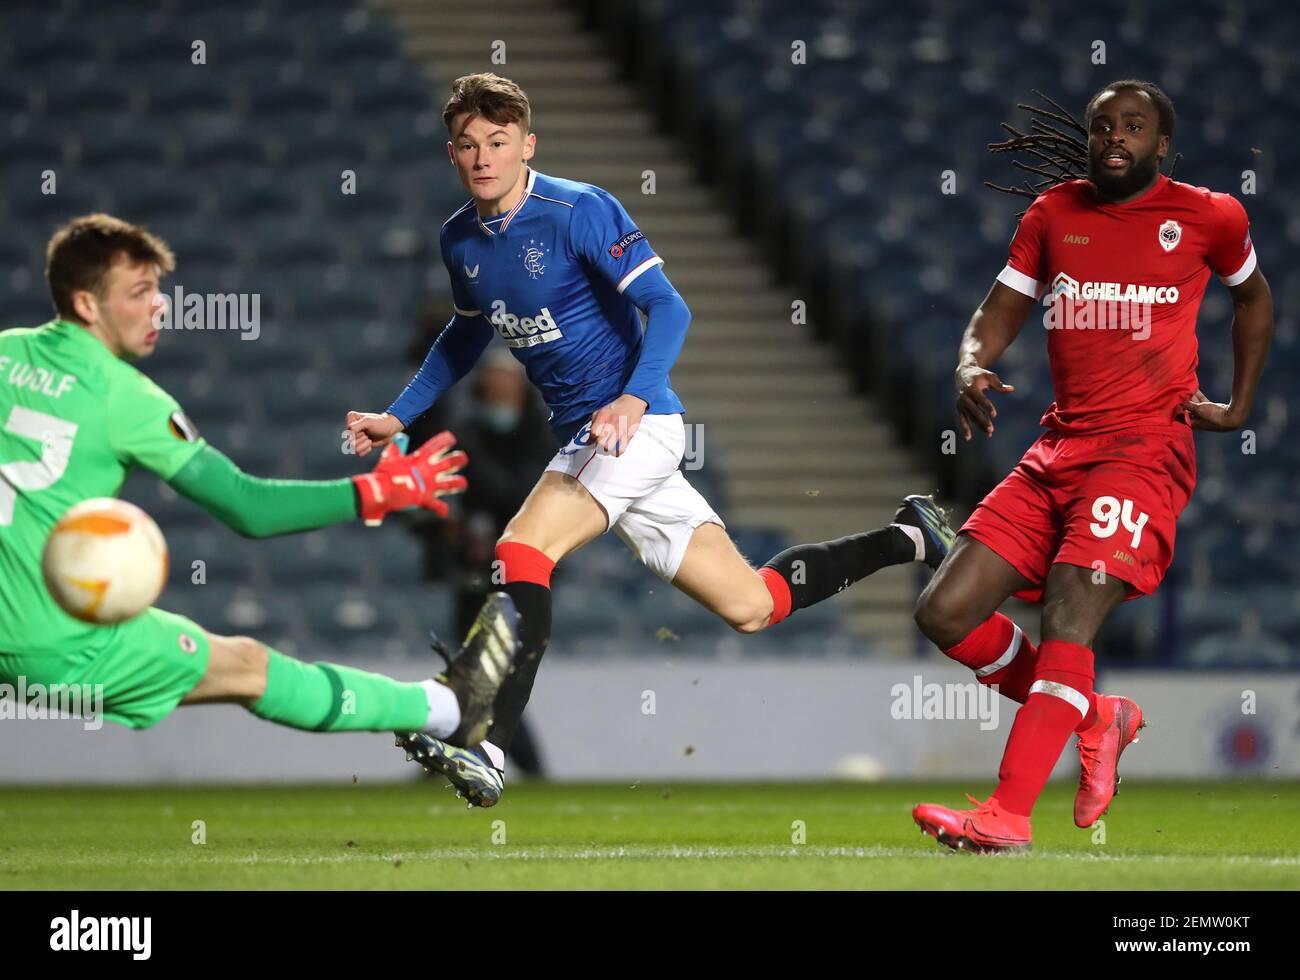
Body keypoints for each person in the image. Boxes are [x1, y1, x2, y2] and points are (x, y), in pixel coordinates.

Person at [346, 73, 952, 807]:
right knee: (752, 605)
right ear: (452, 153)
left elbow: (669, 308)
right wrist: (398, 416)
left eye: (499, 143)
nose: (484, 158)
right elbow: (465, 333)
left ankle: (489, 748)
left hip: (640, 425)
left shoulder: (579, 209)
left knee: (520, 549)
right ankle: (908, 538)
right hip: (590, 438)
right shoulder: (460, 240)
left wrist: (634, 398)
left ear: (526, 144)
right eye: (470, 146)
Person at [0, 213, 522, 755]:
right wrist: (374, 493)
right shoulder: (126, 397)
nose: (159, 304)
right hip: (54, 643)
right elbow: (249, 508)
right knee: (248, 667)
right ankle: (448, 710)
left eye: (157, 288)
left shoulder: (5, 352)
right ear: (87, 304)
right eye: (138, 292)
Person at [911, 82, 1273, 852]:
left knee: (1069, 614)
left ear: (1162, 144)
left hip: (1143, 453)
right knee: (943, 613)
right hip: (1056, 451)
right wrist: (971, 366)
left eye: (1134, 127)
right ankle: (1096, 713)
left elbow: (1255, 298)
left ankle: (1007, 815)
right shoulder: (1052, 215)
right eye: (1103, 125)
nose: (1115, 137)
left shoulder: (1210, 215)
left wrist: (1238, 406)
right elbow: (998, 309)